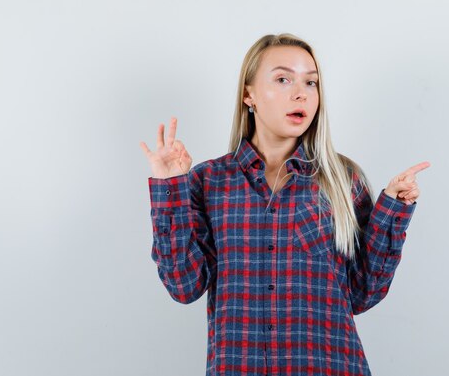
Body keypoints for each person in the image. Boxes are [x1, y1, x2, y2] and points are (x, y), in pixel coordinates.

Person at [140, 33, 430, 376]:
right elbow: (184, 286)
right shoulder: (208, 182)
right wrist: (170, 186)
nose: (300, 93)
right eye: (283, 79)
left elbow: (362, 292)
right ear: (249, 94)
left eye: (311, 82)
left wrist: (393, 210)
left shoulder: (341, 179)